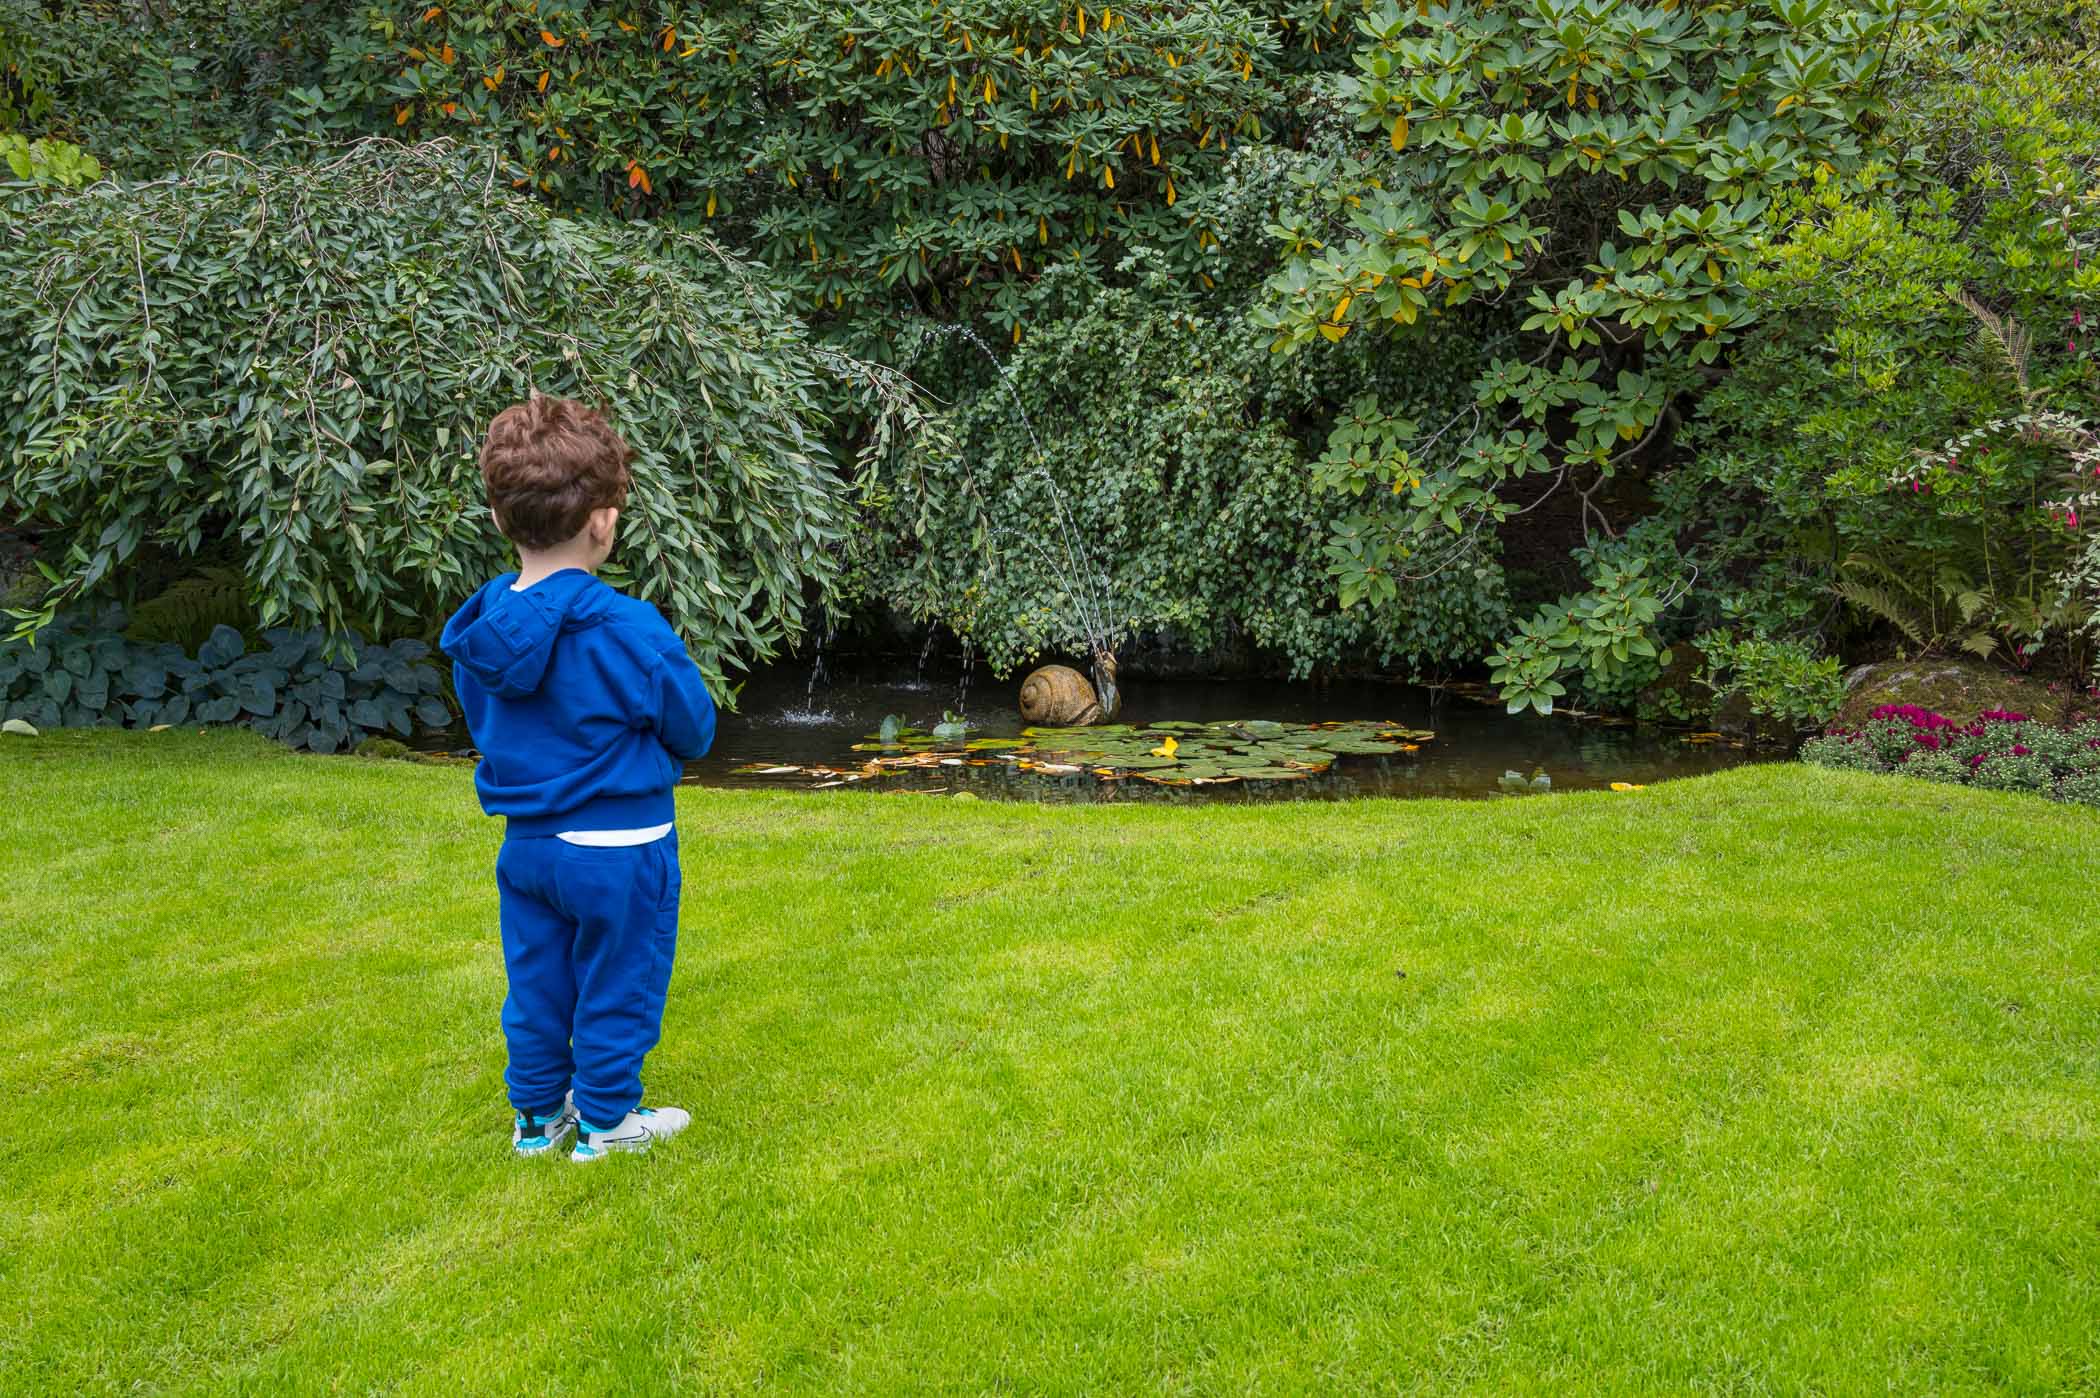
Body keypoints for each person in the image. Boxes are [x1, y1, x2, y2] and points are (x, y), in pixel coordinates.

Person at [440, 395, 716, 1162]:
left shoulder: (484, 626)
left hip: (526, 847)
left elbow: (490, 721)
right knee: (618, 978)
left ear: (501, 518)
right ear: (604, 520)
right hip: (619, 845)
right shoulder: (628, 627)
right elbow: (694, 727)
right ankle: (606, 1121)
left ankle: (536, 1118)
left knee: (537, 982)